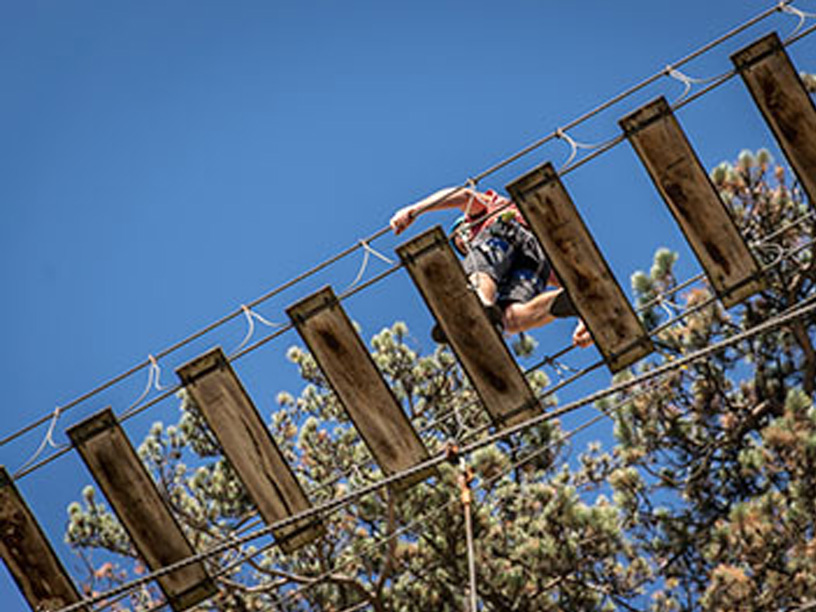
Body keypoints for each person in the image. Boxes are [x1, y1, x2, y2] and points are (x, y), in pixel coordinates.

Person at [391, 186, 592, 348]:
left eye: (464, 239)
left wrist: (415, 210)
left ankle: (479, 304)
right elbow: (563, 281)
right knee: (512, 320)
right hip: (536, 255)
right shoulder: (513, 263)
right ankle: (553, 304)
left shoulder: (482, 215)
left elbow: (464, 196)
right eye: (463, 248)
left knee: (477, 270)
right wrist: (585, 315)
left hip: (504, 230)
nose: (466, 244)